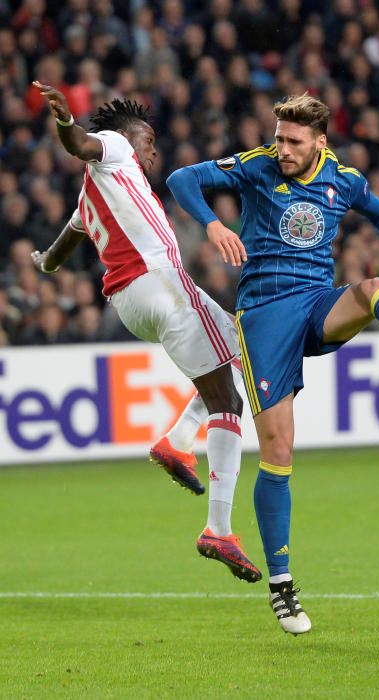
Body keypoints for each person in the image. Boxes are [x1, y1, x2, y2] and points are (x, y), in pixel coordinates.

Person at [167, 93, 379, 635]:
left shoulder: (343, 178)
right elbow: (180, 180)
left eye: (293, 141)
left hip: (314, 302)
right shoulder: (256, 165)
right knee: (279, 451)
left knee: (373, 288)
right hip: (262, 315)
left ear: (320, 142)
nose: (282, 148)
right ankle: (282, 587)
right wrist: (214, 226)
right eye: (280, 137)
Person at [30, 81, 261, 584]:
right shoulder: (113, 150)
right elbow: (80, 145)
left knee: (248, 346)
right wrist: (66, 121)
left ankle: (178, 439)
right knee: (229, 404)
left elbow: (64, 245)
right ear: (127, 137)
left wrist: (45, 264)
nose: (153, 149)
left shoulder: (94, 195)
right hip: (159, 285)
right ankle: (218, 529)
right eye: (148, 139)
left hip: (137, 301)